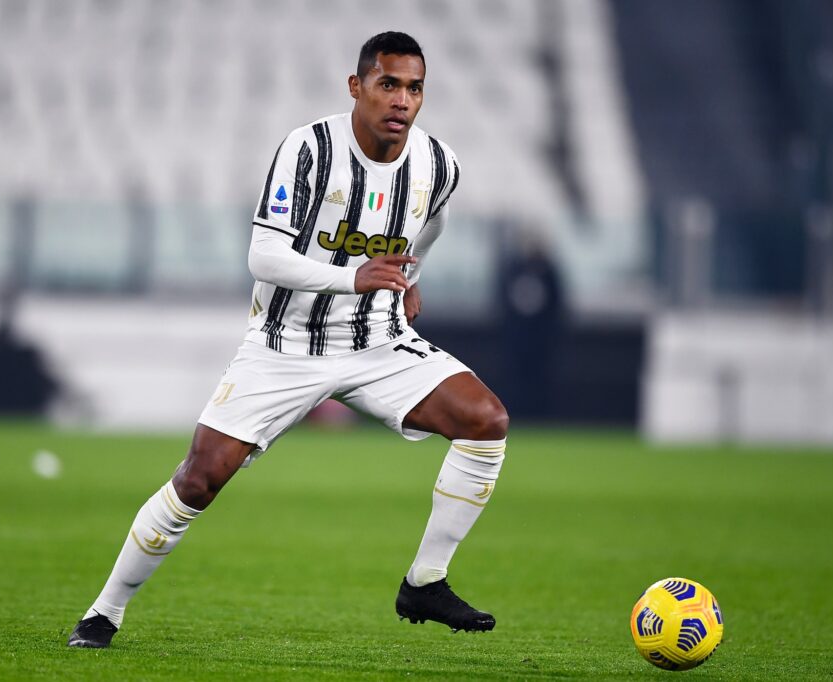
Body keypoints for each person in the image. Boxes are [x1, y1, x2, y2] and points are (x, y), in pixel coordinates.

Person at [68, 31, 509, 648]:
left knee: (486, 420)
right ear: (356, 86)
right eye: (388, 84)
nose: (401, 100)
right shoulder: (309, 150)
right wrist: (352, 277)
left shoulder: (438, 163)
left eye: (414, 89)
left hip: (376, 340)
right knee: (199, 479)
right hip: (285, 343)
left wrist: (411, 280)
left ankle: (425, 581)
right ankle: (104, 612)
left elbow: (433, 220)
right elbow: (263, 256)